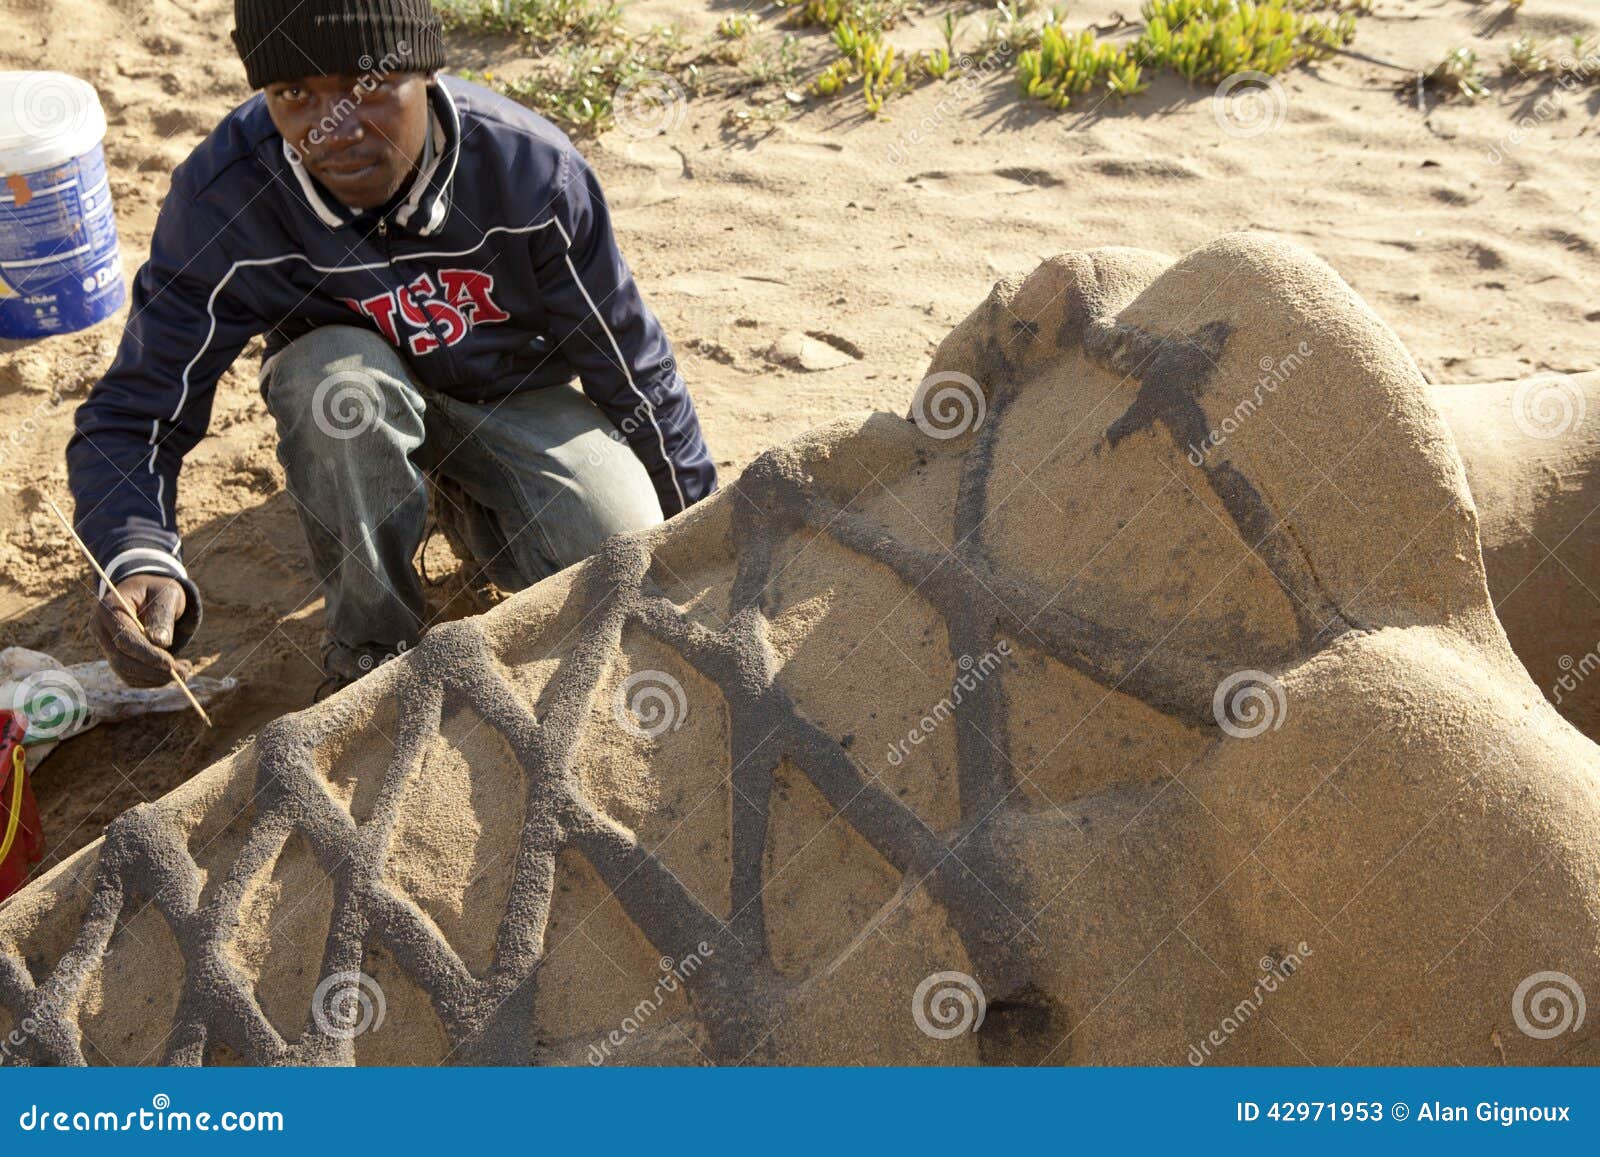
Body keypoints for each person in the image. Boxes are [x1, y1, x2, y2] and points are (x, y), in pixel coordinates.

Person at [67, 0, 716, 698]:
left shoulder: (530, 173)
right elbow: (136, 411)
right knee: (335, 392)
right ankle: (371, 652)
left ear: (427, 72)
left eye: (367, 85)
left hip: (511, 399)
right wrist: (136, 555)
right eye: (294, 94)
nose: (332, 126)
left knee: (617, 553)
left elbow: (630, 366)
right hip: (350, 405)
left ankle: (464, 504)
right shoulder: (226, 199)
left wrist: (706, 541)